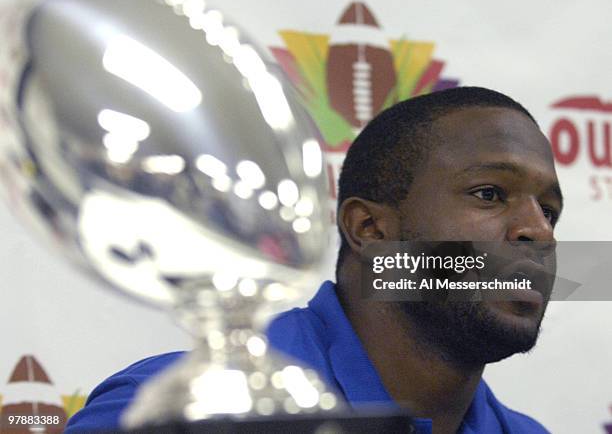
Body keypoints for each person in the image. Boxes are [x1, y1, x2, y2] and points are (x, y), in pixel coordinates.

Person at [65, 87, 561, 433]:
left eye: (550, 211)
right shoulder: (183, 412)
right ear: (370, 230)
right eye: (490, 194)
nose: (538, 232)